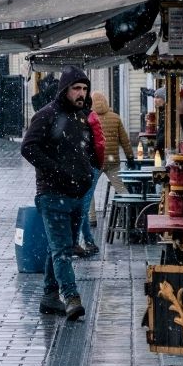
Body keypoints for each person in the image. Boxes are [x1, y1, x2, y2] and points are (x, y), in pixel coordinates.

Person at [21, 65, 97, 321]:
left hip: (76, 193)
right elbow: (29, 148)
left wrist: (87, 173)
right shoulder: (47, 115)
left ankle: (49, 296)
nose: (81, 94)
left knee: (60, 248)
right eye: (76, 88)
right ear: (65, 89)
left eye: (85, 89)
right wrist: (57, 171)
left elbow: (84, 150)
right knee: (62, 250)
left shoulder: (81, 117)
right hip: (52, 194)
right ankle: (71, 296)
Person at [76, 105, 106, 256]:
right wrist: (98, 163)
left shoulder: (70, 115)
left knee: (82, 205)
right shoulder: (90, 116)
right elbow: (100, 144)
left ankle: (84, 241)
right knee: (83, 205)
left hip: (80, 166)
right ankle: (83, 241)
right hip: (90, 165)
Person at [92, 91, 136, 196]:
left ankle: (91, 213)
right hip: (112, 160)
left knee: (89, 191)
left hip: (95, 161)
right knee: (120, 187)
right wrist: (130, 158)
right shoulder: (115, 117)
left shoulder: (90, 119)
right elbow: (125, 141)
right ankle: (129, 209)